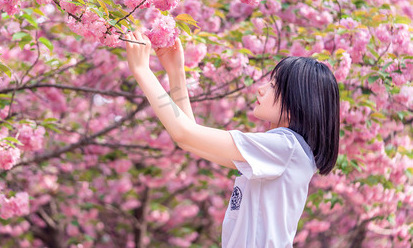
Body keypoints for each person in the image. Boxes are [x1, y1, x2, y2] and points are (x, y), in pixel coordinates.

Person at [124, 31, 340, 248]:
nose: (261, 89)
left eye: (273, 86)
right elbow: (189, 138)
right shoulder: (285, 152)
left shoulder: (285, 147)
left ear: (296, 105)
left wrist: (142, 71)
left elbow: (184, 133)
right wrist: (176, 71)